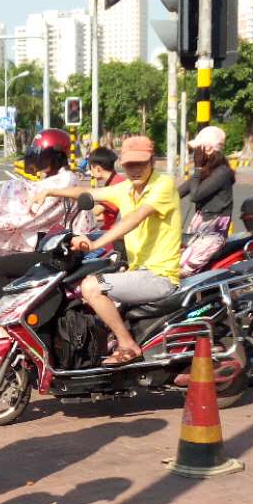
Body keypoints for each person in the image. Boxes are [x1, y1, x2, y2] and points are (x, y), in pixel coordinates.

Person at [32, 135, 183, 366]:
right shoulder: (127, 188)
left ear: (152, 161)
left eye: (141, 163)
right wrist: (50, 192)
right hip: (137, 270)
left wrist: (96, 243)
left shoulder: (163, 184)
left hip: (159, 276)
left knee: (91, 287)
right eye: (130, 164)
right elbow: (89, 194)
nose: (135, 169)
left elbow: (135, 217)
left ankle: (127, 345)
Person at [0, 128, 80, 300]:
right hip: (51, 244)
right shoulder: (54, 180)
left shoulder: (65, 180)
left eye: (43, 156)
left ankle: (5, 324)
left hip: (62, 250)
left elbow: (29, 216)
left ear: (56, 156)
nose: (39, 161)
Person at [178, 125, 235, 228]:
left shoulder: (221, 172)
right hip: (202, 224)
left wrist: (198, 167)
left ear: (208, 150)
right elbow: (179, 192)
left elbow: (195, 196)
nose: (195, 154)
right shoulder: (207, 170)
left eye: (198, 150)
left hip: (214, 228)